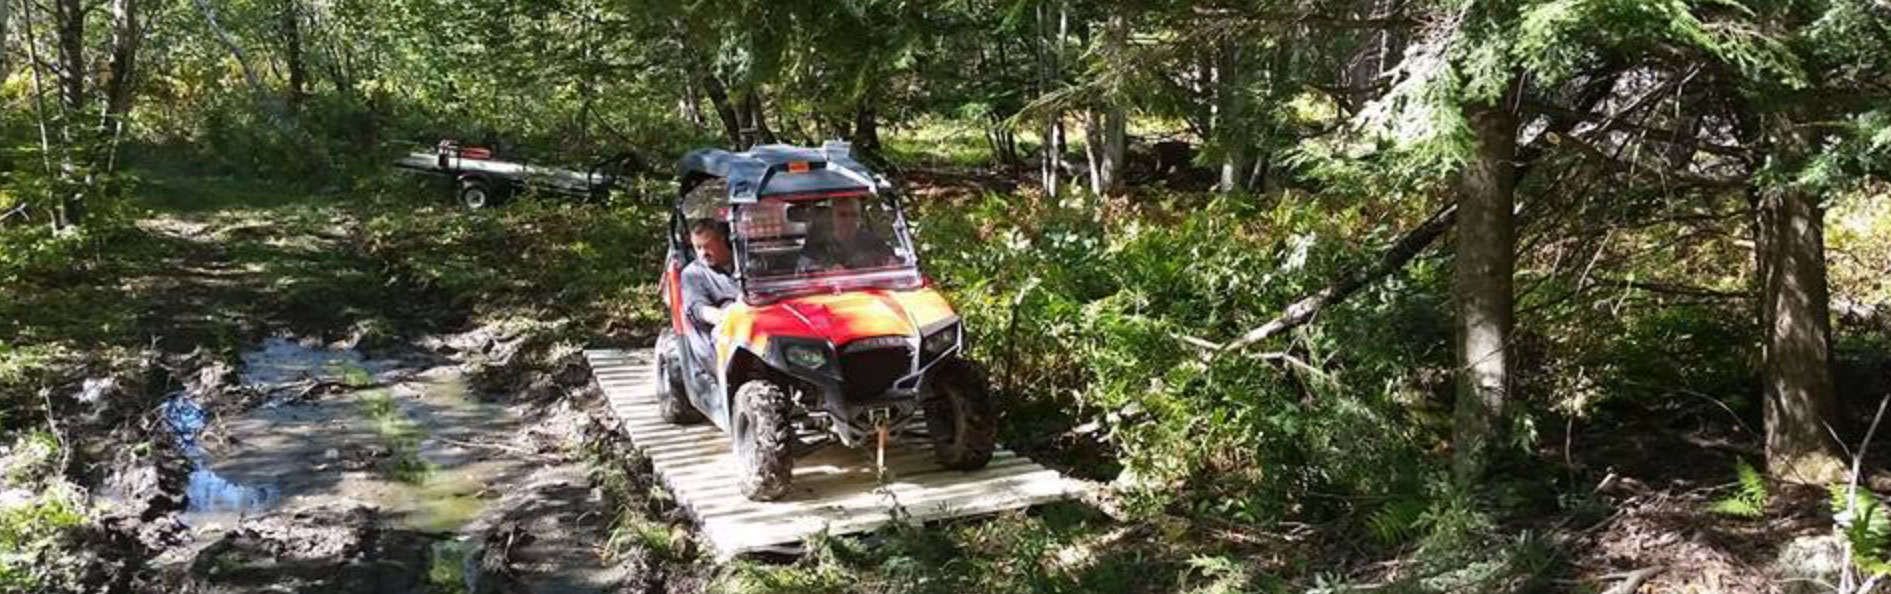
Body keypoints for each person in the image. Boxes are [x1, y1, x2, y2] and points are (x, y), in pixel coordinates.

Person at [679, 219, 737, 373]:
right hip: (718, 339)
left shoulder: (747, 265)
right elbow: (696, 307)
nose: (703, 253)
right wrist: (718, 315)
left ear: (723, 240)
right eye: (698, 247)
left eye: (707, 246)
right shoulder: (693, 274)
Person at [798, 197, 896, 271]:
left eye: (854, 215)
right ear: (832, 217)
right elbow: (803, 271)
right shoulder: (817, 245)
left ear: (859, 218)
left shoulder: (872, 241)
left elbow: (892, 260)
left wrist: (891, 261)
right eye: (842, 215)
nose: (849, 220)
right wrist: (828, 269)